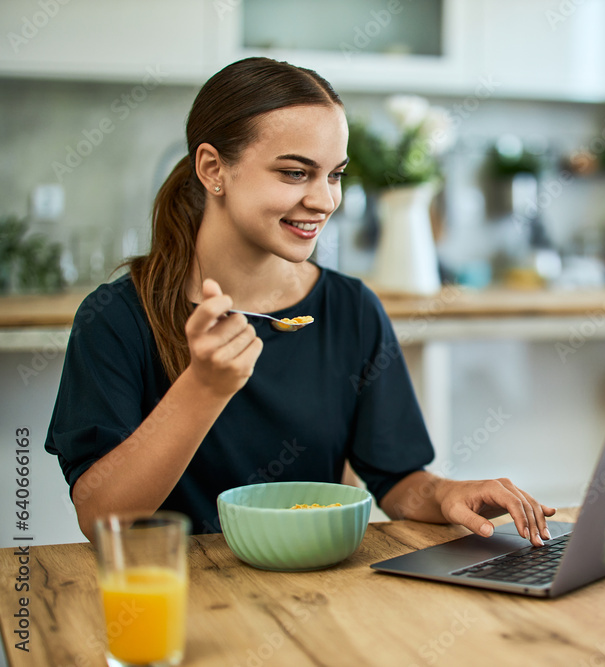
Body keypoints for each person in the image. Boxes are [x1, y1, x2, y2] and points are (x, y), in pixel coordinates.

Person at [44, 57, 554, 546]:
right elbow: (100, 516)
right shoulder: (115, 318)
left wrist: (446, 493)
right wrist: (202, 387)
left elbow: (396, 479)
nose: (325, 200)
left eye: (334, 175)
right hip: (182, 598)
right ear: (212, 168)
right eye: (294, 173)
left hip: (314, 592)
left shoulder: (351, 309)